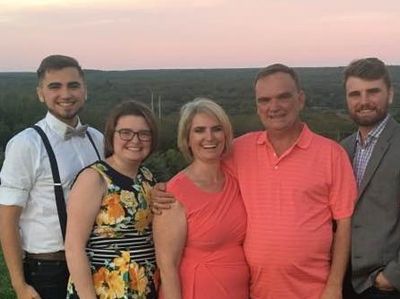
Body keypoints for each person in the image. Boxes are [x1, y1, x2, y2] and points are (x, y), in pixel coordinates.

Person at [153, 64, 357, 299]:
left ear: (300, 99)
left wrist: (334, 286)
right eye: (265, 100)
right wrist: (160, 190)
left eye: (283, 97)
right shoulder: (241, 150)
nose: (274, 107)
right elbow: (201, 169)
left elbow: (344, 224)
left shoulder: (331, 154)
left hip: (315, 291)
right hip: (258, 291)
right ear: (257, 106)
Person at [0, 55, 103, 299]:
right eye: (54, 86)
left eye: (73, 85)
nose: (65, 94)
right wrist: (20, 285)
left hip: (98, 262)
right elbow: (7, 221)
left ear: (85, 90)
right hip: (48, 269)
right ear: (40, 93)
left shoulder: (98, 139)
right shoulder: (26, 144)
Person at [153, 98, 249, 299]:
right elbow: (167, 266)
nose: (209, 137)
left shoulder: (237, 179)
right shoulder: (173, 193)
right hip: (196, 291)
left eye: (216, 129)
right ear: (187, 138)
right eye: (199, 130)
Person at [65, 100, 158, 299]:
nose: (135, 140)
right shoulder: (95, 178)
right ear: (111, 136)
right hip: (103, 289)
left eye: (144, 134)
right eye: (125, 133)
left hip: (143, 287)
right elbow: (74, 248)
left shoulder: (147, 177)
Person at [341, 58, 400, 299]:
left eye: (373, 91)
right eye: (355, 94)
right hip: (346, 282)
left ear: (390, 94)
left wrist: (394, 276)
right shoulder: (342, 149)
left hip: (386, 286)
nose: (363, 101)